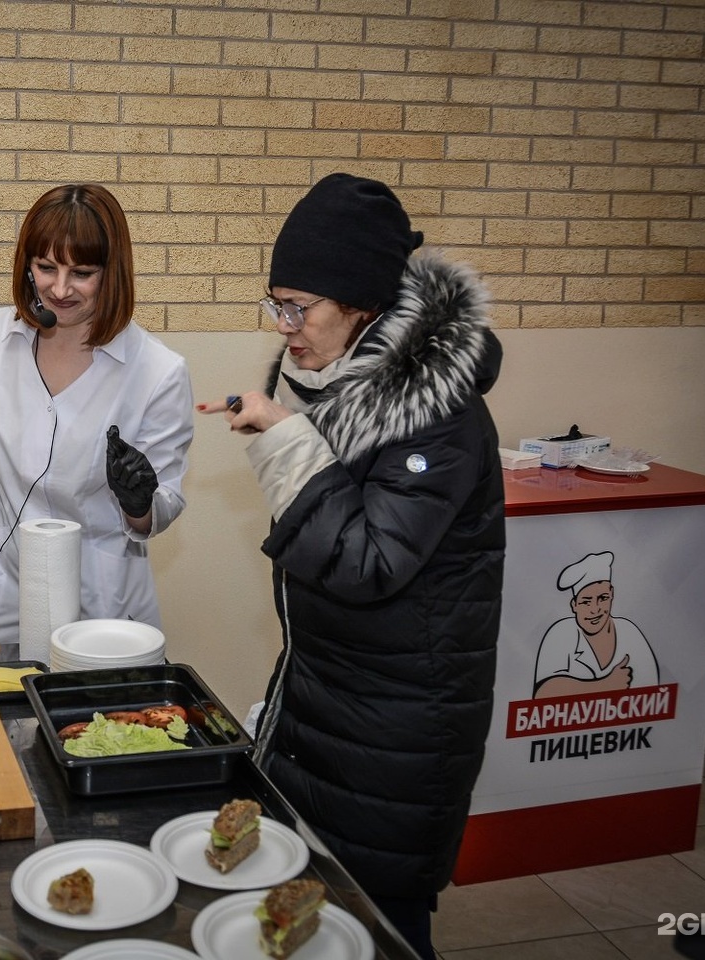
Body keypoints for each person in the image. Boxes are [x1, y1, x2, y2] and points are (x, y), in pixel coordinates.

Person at [199, 173, 505, 959]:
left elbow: (368, 562)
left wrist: (286, 442)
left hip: (403, 732)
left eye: (300, 307)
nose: (284, 327)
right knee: (320, 915)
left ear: (363, 304)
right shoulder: (341, 382)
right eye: (276, 303)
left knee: (387, 930)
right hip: (331, 699)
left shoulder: (436, 408)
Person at [0, 183, 193, 648]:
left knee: (93, 720)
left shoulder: (158, 371)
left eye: (82, 272)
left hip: (99, 595)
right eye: (46, 267)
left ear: (113, 273)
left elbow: (161, 507)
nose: (59, 289)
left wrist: (139, 502)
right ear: (27, 264)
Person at [534, 550, 660, 697]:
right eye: (586, 602)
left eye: (603, 598)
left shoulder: (629, 632)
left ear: (612, 594)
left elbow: (654, 696)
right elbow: (542, 695)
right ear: (574, 605)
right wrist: (606, 685)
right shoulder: (560, 633)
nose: (595, 609)